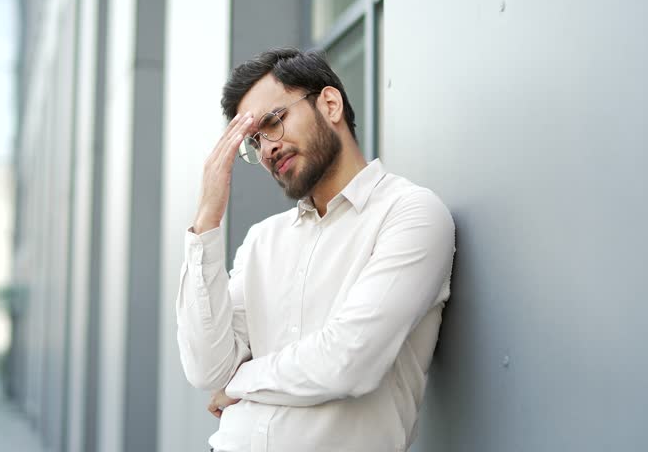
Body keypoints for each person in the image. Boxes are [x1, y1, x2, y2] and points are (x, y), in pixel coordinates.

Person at [176, 47, 455, 452]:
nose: (267, 148)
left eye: (273, 121)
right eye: (254, 141)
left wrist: (241, 382)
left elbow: (347, 362)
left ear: (330, 104)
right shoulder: (262, 241)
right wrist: (206, 221)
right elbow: (206, 369)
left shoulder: (410, 214)